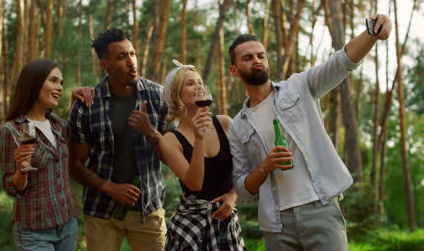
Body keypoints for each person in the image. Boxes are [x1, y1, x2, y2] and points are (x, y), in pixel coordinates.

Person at [227, 14, 392, 251]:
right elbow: (243, 188)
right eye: (248, 57)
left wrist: (371, 33)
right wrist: (264, 166)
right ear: (234, 70)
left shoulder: (299, 85)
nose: (257, 60)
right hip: (276, 224)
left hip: (321, 207)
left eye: (261, 55)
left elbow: (341, 62)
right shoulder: (237, 126)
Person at [67, 28, 172, 251]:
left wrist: (151, 132)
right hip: (101, 212)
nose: (131, 62)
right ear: (105, 64)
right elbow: (75, 166)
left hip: (148, 209)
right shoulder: (87, 104)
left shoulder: (159, 97)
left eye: (132, 53)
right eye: (122, 57)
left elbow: (173, 156)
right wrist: (110, 188)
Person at [0, 58, 94, 251]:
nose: (59, 87)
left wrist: (75, 101)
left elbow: (77, 135)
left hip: (68, 224)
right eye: (53, 80)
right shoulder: (12, 130)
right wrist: (21, 170)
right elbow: (11, 188)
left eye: (61, 83)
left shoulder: (57, 123)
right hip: (34, 232)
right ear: (34, 83)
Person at [159, 60, 245, 251]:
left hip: (225, 223)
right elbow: (195, 184)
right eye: (190, 84)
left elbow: (244, 167)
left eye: (199, 82)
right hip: (190, 228)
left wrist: (232, 196)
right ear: (174, 95)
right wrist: (199, 139)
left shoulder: (225, 123)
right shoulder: (170, 140)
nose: (198, 86)